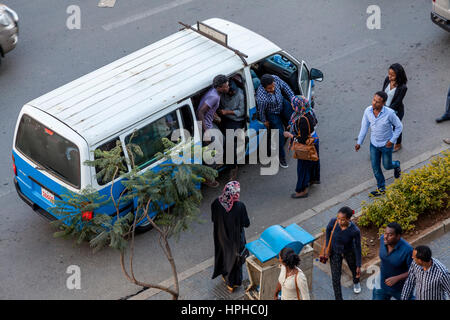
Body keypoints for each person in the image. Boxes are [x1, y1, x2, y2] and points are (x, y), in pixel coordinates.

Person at [355, 91, 403, 197]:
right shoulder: (368, 111)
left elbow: (399, 126)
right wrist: (359, 142)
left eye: (377, 102)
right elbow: (364, 127)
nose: (374, 103)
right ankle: (381, 188)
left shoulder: (390, 113)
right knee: (375, 168)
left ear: (383, 103)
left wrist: (392, 141)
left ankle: (397, 165)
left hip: (386, 145)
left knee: (387, 165)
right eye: (374, 100)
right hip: (374, 145)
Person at [211, 181, 250, 293]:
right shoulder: (240, 206)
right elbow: (246, 223)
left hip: (220, 236)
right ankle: (232, 283)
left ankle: (224, 275)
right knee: (235, 260)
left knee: (223, 255)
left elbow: (214, 219)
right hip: (236, 240)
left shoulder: (215, 203)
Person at [256, 74, 295, 168]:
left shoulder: (276, 79)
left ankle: (298, 136)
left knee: (295, 118)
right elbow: (261, 111)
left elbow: (286, 88)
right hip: (272, 112)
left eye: (273, 86)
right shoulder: (261, 98)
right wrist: (264, 121)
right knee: (279, 135)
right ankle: (281, 157)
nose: (273, 89)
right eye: (269, 88)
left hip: (282, 103)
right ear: (264, 87)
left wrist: (293, 99)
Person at [197, 74, 229, 187]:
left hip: (210, 123)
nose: (228, 87)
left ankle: (217, 164)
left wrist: (214, 116)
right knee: (213, 154)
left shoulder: (215, 93)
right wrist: (206, 132)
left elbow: (209, 108)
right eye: (226, 86)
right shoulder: (214, 96)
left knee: (222, 139)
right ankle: (207, 177)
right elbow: (200, 112)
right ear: (219, 87)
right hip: (206, 127)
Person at [324, 206, 362, 300]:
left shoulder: (355, 231)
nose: (340, 222)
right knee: (335, 278)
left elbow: (357, 247)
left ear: (349, 219)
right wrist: (327, 247)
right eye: (339, 218)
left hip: (349, 251)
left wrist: (358, 264)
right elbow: (328, 230)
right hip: (335, 252)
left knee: (354, 270)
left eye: (343, 220)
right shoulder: (333, 221)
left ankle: (356, 282)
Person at [283, 96, 317, 198]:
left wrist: (290, 135)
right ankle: (311, 180)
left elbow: (302, 139)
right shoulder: (309, 111)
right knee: (311, 164)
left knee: (302, 168)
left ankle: (302, 190)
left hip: (305, 146)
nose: (292, 106)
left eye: (294, 104)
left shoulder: (302, 119)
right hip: (314, 140)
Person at [373, 222, 413, 300]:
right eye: (385, 233)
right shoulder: (383, 240)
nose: (385, 237)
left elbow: (414, 271)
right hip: (382, 285)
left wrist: (397, 278)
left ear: (398, 236)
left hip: (401, 289)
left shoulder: (408, 250)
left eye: (390, 235)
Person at [218, 79, 246, 181]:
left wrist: (228, 112)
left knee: (230, 143)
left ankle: (233, 167)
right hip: (224, 118)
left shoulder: (240, 95)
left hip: (236, 120)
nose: (231, 93)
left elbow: (241, 112)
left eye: (232, 92)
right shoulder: (223, 94)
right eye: (229, 92)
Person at [382, 63, 408, 152]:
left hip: (396, 111)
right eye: (389, 74)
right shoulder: (387, 79)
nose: (389, 76)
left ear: (398, 75)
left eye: (392, 75)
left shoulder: (403, 87)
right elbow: (383, 92)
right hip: (385, 108)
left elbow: (397, 102)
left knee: (396, 127)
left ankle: (398, 144)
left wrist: (386, 112)